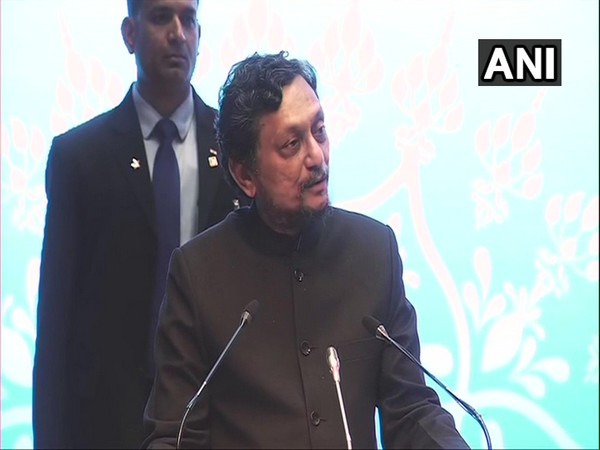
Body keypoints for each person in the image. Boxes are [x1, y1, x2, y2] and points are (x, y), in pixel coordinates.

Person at [142, 51, 470, 449]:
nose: (316, 156)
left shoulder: (374, 251)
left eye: (320, 131)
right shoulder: (198, 274)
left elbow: (411, 410)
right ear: (245, 175)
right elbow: (174, 435)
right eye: (292, 144)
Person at [32, 0, 247, 448]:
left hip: (219, 412)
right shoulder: (80, 158)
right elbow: (56, 321)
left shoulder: (237, 151)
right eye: (161, 17)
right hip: (107, 419)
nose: (178, 33)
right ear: (129, 34)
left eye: (189, 20)